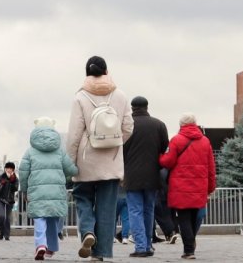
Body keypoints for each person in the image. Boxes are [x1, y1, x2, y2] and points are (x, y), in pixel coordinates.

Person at [65, 55, 135, 262]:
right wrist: (114, 142)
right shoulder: (120, 95)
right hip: (111, 160)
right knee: (107, 207)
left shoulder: (80, 97)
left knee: (82, 196)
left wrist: (71, 162)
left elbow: (74, 134)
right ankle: (101, 252)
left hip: (86, 159)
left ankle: (87, 231)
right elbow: (128, 128)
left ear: (87, 73)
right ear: (106, 71)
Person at [159, 113, 216, 261]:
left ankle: (189, 250)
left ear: (181, 125)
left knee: (183, 218)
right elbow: (211, 168)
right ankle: (190, 244)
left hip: (180, 187)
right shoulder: (205, 141)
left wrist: (160, 157)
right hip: (199, 186)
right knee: (193, 218)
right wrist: (210, 188)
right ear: (195, 124)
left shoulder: (176, 140)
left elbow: (168, 162)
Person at [22, 116, 78, 261]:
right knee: (53, 219)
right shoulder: (59, 151)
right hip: (56, 191)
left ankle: (41, 244)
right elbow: (71, 170)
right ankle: (51, 247)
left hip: (37, 191)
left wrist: (24, 189)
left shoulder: (30, 151)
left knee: (40, 218)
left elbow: (23, 172)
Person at [122, 96, 168, 258]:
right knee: (149, 210)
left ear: (132, 108)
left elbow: (120, 149)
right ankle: (148, 244)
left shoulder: (126, 125)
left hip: (132, 175)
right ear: (147, 106)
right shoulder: (159, 124)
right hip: (152, 175)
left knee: (135, 210)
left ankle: (141, 247)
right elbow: (164, 147)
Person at [0, 161, 19, 243]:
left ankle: (7, 235)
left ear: (13, 169)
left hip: (10, 200)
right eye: (7, 168)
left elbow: (16, 188)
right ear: (5, 169)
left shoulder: (15, 178)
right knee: (2, 216)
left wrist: (12, 181)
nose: (9, 170)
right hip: (0, 199)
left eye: (11, 168)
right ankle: (1, 233)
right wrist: (0, 183)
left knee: (7, 218)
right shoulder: (1, 176)